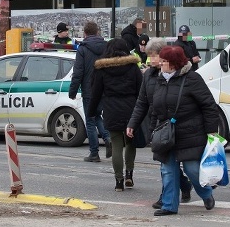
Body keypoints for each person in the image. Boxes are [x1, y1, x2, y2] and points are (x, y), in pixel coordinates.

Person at [127, 45, 220, 216]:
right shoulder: (160, 79)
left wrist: (211, 131)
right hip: (166, 133)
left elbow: (209, 106)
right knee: (168, 170)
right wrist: (153, 129)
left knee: (192, 170)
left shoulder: (192, 79)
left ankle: (206, 194)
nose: (160, 64)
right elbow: (154, 107)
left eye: (164, 61)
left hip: (191, 133)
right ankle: (169, 205)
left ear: (174, 63)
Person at [142, 38, 193, 209]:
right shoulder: (149, 75)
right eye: (150, 56)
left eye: (155, 55)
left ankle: (174, 194)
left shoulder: (176, 76)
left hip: (177, 125)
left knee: (174, 164)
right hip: (158, 123)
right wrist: (134, 124)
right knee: (167, 164)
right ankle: (175, 192)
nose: (151, 59)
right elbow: (143, 101)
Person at [89, 39, 144, 191]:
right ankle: (129, 175)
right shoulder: (133, 67)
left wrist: (91, 112)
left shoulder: (102, 68)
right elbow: (141, 91)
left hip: (111, 109)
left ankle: (118, 181)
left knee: (116, 144)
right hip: (131, 109)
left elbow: (96, 93)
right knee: (130, 143)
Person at [68, 21, 112, 161]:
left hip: (89, 90)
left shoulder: (83, 49)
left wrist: (72, 92)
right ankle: (107, 137)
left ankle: (94, 153)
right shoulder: (107, 47)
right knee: (97, 116)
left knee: (90, 120)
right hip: (104, 89)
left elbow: (78, 73)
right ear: (98, 32)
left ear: (85, 33)